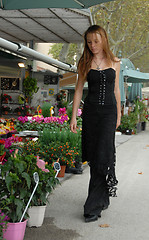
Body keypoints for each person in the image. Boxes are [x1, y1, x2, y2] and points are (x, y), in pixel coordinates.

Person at [70, 25, 121, 223]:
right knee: (94, 156)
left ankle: (92, 206)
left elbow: (116, 91)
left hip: (108, 113)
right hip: (91, 114)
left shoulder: (115, 62)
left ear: (104, 39)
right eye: (89, 42)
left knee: (103, 155)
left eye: (96, 41)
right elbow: (78, 91)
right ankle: (101, 198)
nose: (93, 45)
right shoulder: (84, 62)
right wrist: (74, 116)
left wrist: (118, 115)